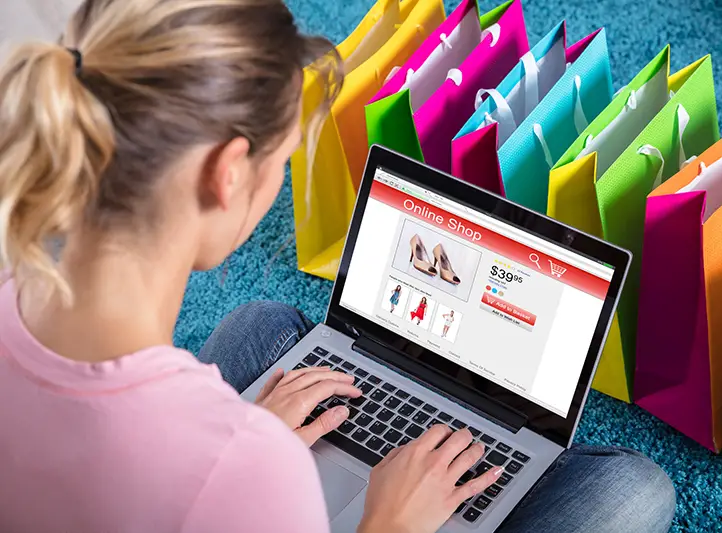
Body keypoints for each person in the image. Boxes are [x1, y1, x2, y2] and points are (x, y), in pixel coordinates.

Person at [0, 0, 676, 531]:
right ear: (228, 172)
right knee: (632, 491)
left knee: (264, 323)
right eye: (285, 154)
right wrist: (387, 521)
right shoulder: (254, 468)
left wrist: (246, 430)